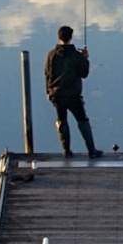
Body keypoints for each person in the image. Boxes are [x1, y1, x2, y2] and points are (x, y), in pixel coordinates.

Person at [44, 25, 103, 158]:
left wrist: (48, 91)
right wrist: (85, 59)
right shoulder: (76, 56)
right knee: (82, 120)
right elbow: (84, 73)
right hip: (73, 95)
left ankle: (66, 151)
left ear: (58, 37)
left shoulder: (51, 55)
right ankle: (92, 151)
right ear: (71, 38)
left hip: (56, 94)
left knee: (62, 121)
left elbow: (47, 74)